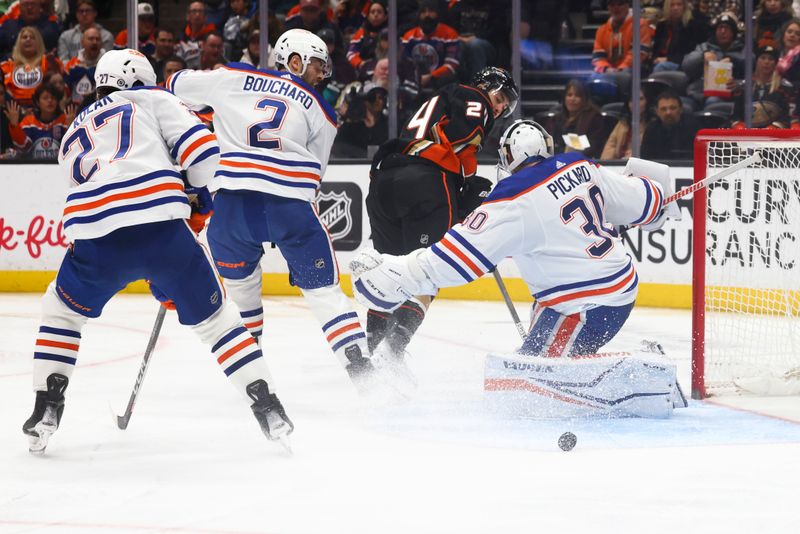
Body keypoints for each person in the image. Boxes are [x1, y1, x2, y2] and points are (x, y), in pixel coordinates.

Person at [22, 49, 293, 455]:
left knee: (61, 313)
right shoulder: (154, 99)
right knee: (218, 322)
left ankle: (46, 406)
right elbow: (204, 156)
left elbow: (103, 182)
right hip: (163, 233)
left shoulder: (76, 126)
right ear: (138, 81)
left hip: (96, 239)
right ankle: (267, 404)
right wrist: (197, 196)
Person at [349, 120, 685, 414]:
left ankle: (645, 375)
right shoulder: (581, 166)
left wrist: (396, 271)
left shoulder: (512, 199)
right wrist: (657, 194)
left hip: (586, 307)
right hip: (610, 288)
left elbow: (455, 260)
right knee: (523, 369)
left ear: (507, 158)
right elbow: (643, 200)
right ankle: (598, 367)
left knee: (517, 387)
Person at [166, 29, 380, 392]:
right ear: (293, 61)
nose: (321, 75)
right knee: (324, 293)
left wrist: (199, 119)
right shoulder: (322, 109)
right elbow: (315, 173)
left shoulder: (231, 76)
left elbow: (173, 84)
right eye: (316, 65)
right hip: (289, 208)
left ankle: (253, 377)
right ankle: (364, 373)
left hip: (232, 208)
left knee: (243, 299)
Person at [362, 66, 518, 379]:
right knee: (428, 271)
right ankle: (394, 348)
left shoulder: (439, 100)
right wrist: (471, 186)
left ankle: (371, 355)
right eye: (499, 98)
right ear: (484, 86)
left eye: (503, 105)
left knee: (390, 271)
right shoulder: (475, 98)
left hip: (384, 181)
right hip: (425, 182)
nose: (498, 108)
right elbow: (463, 145)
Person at [401, 0, 460, 90]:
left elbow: (451, 65)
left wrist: (431, 76)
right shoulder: (409, 36)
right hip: (414, 79)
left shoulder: (449, 34)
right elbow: (405, 62)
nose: (427, 15)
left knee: (447, 79)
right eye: (423, 12)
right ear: (419, 15)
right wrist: (415, 77)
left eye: (431, 11)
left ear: (437, 14)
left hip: (439, 80)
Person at [5, 81, 73, 159]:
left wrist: (71, 128)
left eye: (53, 98)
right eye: (45, 98)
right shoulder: (28, 122)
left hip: (59, 167)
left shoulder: (65, 119)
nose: (50, 101)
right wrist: (14, 126)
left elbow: (70, 150)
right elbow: (24, 148)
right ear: (37, 102)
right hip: (33, 167)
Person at [0, 26, 62, 111]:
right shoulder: (7, 64)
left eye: (32, 37)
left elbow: (61, 83)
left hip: (43, 108)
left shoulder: (48, 61)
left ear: (38, 42)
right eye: (24, 37)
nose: (28, 39)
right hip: (13, 108)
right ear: (18, 42)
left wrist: (53, 66)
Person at [545, 79, 605, 159]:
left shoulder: (594, 118)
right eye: (569, 95)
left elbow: (594, 146)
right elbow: (548, 143)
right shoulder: (556, 119)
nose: (572, 99)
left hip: (582, 162)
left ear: (584, 99)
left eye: (577, 96)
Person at [641, 88, 700, 160]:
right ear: (657, 112)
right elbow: (645, 157)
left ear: (681, 109)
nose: (668, 112)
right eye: (663, 109)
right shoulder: (651, 129)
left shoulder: (693, 127)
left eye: (672, 108)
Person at [651, 0, 709, 72]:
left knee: (661, 67)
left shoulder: (691, 26)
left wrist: (668, 59)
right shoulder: (661, 25)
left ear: (684, 7)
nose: (676, 8)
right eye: (672, 5)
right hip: (659, 62)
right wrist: (655, 59)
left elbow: (690, 55)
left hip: (681, 64)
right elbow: (655, 49)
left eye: (679, 5)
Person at [601, 91, 652, 160]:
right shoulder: (622, 123)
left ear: (647, 101)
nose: (635, 103)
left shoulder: (653, 125)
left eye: (640, 99)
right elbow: (610, 146)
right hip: (619, 164)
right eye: (631, 100)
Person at [63, 26, 104, 107]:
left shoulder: (108, 64)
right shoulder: (72, 65)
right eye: (91, 39)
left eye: (97, 39)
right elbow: (65, 93)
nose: (94, 42)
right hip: (77, 111)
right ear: (82, 42)